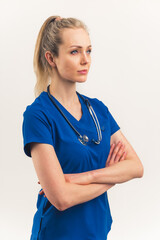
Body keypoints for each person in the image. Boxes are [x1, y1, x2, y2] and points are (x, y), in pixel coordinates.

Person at [22, 15, 144, 240]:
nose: (85, 60)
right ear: (51, 58)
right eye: (74, 51)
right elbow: (61, 198)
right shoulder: (38, 115)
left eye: (89, 51)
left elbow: (136, 167)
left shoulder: (98, 110)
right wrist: (112, 177)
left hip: (98, 231)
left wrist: (83, 178)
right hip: (58, 234)